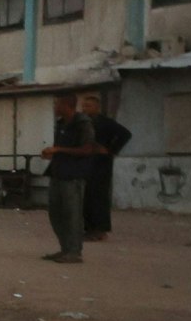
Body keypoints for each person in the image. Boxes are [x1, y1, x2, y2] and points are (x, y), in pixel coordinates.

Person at [40, 94, 101, 264]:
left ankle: (74, 251)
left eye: (57, 103)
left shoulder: (82, 123)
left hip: (73, 175)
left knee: (72, 214)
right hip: (58, 173)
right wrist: (51, 153)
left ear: (66, 104)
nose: (54, 107)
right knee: (56, 213)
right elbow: (62, 149)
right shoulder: (61, 124)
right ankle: (65, 248)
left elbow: (87, 150)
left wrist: (58, 150)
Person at [79, 92, 132, 242]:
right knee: (87, 197)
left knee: (99, 197)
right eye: (83, 106)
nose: (84, 109)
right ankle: (89, 229)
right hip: (87, 162)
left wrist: (111, 150)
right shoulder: (84, 122)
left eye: (88, 106)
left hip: (101, 163)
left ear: (97, 108)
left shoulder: (105, 122)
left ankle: (100, 230)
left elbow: (125, 134)